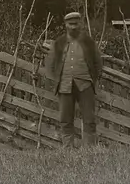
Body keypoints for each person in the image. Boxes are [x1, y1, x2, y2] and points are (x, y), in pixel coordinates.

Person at [44, 10, 103, 147]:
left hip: (85, 85)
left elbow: (98, 63)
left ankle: (89, 149)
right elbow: (50, 64)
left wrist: (92, 80)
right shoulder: (59, 43)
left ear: (80, 24)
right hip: (64, 86)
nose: (73, 27)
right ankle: (68, 149)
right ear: (65, 25)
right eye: (70, 24)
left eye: (76, 24)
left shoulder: (88, 42)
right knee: (65, 119)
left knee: (89, 118)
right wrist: (57, 79)